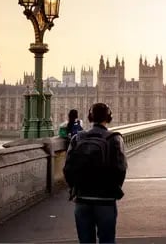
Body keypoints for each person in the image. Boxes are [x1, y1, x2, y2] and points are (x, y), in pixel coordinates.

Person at [63, 103, 127, 244]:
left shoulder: (77, 138)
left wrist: (75, 189)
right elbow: (121, 169)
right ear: (109, 117)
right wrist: (113, 190)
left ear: (90, 117)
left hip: (82, 199)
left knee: (85, 241)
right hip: (106, 200)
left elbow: (67, 169)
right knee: (107, 240)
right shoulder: (115, 138)